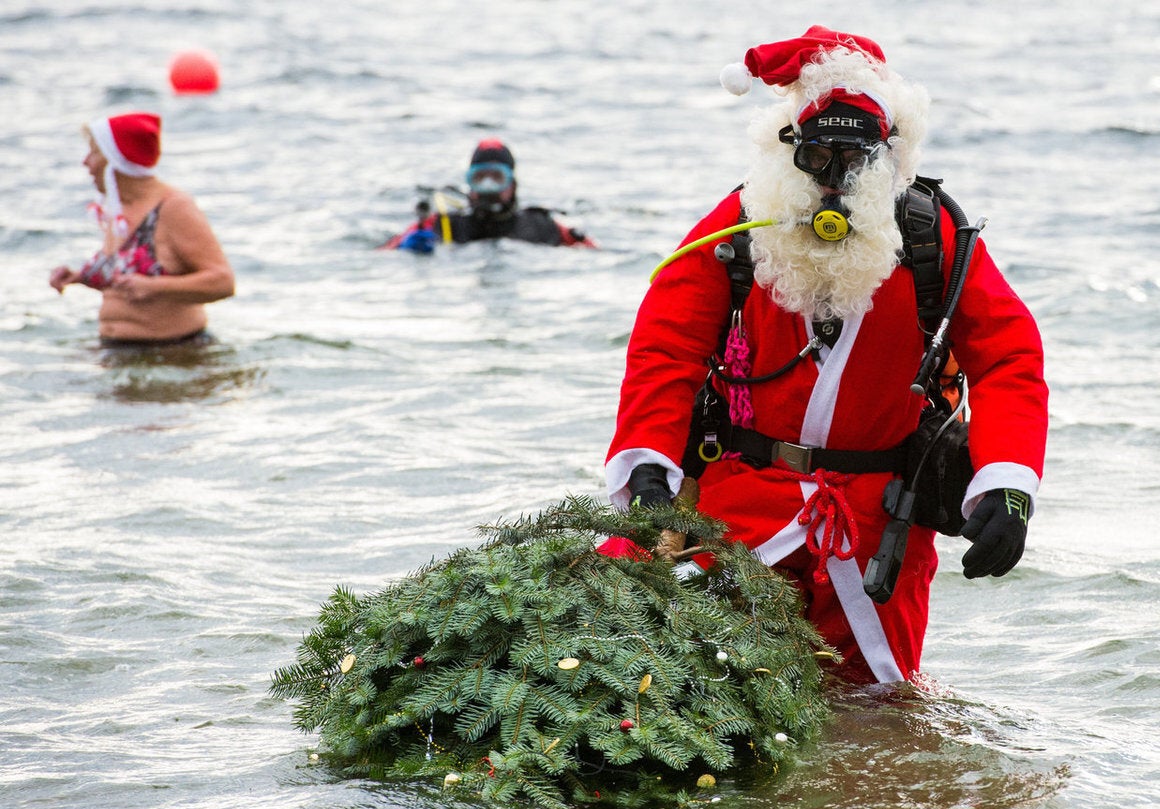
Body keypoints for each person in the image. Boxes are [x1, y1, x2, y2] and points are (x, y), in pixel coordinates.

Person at [605, 27, 1049, 686]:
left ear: (888, 153)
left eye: (857, 155)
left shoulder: (934, 240)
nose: (837, 177)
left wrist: (1008, 484)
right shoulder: (737, 231)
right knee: (671, 675)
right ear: (791, 151)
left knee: (880, 715)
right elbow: (665, 350)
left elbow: (1008, 355)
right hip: (738, 506)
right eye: (820, 155)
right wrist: (647, 469)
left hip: (876, 526)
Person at [49, 112, 235, 344]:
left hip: (174, 355)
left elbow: (223, 281)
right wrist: (82, 277)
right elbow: (126, 279)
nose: (85, 162)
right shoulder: (118, 208)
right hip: (118, 353)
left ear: (116, 160)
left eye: (94, 152)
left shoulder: (174, 207)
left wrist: (155, 287)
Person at [381, 138, 595, 252]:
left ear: (512, 183)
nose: (488, 187)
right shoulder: (443, 224)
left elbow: (595, 253)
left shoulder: (543, 225)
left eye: (497, 178)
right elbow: (383, 252)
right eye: (480, 177)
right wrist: (406, 247)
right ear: (469, 182)